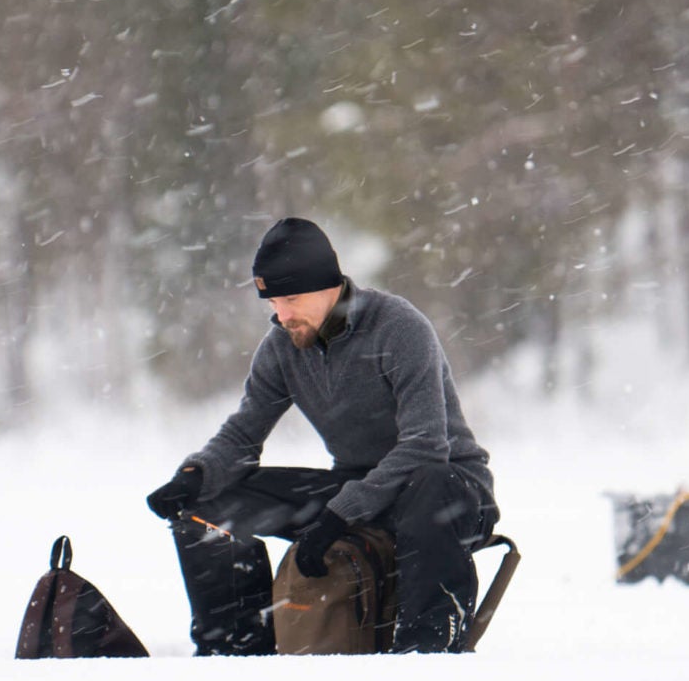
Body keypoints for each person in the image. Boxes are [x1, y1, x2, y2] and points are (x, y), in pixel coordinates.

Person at [145, 218, 498, 655]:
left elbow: (427, 445)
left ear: (330, 286)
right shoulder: (281, 346)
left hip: (449, 489)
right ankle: (235, 647)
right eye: (273, 301)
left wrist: (339, 515)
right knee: (209, 508)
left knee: (430, 484)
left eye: (291, 298)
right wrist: (195, 475)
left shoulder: (398, 327)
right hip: (358, 492)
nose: (282, 314)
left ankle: (426, 649)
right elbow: (243, 434)